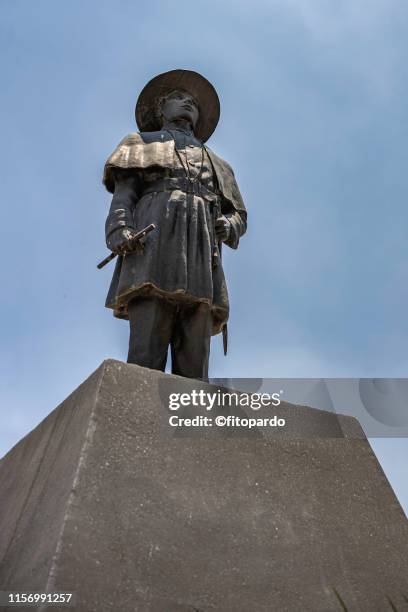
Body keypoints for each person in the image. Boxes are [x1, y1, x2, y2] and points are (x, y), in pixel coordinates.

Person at [102, 69, 247, 381]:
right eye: (179, 98)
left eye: (193, 102)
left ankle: (191, 421)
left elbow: (238, 215)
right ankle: (136, 414)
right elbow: (124, 195)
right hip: (154, 244)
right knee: (147, 347)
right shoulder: (139, 143)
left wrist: (228, 225)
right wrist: (119, 230)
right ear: (161, 109)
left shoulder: (219, 164)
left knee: (195, 347)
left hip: (202, 252)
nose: (188, 103)